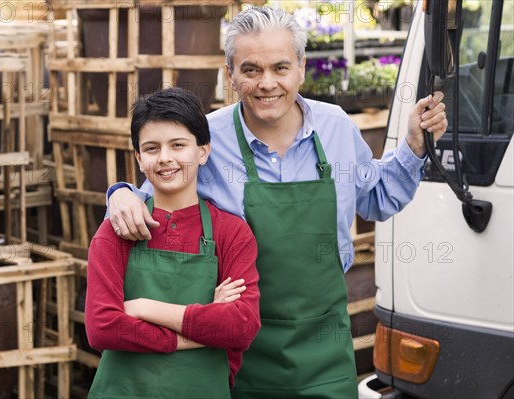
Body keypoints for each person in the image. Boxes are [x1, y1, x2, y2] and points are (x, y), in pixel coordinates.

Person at [106, 7, 448, 399]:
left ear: (301, 67)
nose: (267, 83)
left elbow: (377, 198)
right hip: (234, 353)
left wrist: (414, 146)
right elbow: (150, 198)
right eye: (251, 70)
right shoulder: (207, 139)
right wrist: (122, 195)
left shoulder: (335, 128)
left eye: (280, 68)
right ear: (230, 72)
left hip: (325, 350)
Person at [85, 88, 261, 399]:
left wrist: (143, 308)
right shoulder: (115, 232)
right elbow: (102, 328)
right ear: (139, 159)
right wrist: (198, 331)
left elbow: (241, 326)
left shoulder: (231, 233)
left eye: (178, 145)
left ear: (202, 151)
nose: (165, 158)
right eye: (151, 148)